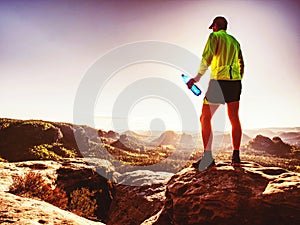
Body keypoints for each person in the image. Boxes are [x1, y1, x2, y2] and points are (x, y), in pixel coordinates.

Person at [187, 16, 244, 171]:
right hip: (235, 82)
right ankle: (236, 156)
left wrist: (197, 78)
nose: (212, 29)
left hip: (218, 82)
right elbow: (241, 63)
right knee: (234, 117)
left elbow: (207, 58)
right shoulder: (235, 42)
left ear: (216, 26)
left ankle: (208, 157)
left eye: (212, 27)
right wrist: (237, 78)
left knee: (205, 116)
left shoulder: (214, 36)